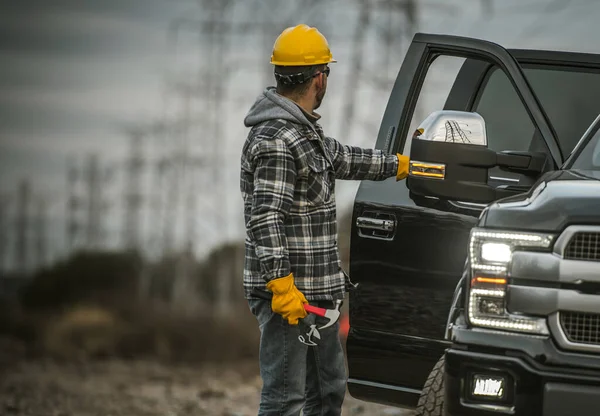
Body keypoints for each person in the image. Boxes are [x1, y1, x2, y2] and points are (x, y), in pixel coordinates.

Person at [240, 24, 410, 415]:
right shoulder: (276, 140)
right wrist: (281, 286)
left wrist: (400, 165)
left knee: (329, 393)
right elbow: (265, 217)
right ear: (319, 77)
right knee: (286, 400)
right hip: (290, 298)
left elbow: (345, 157)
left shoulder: (305, 134)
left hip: (320, 294)